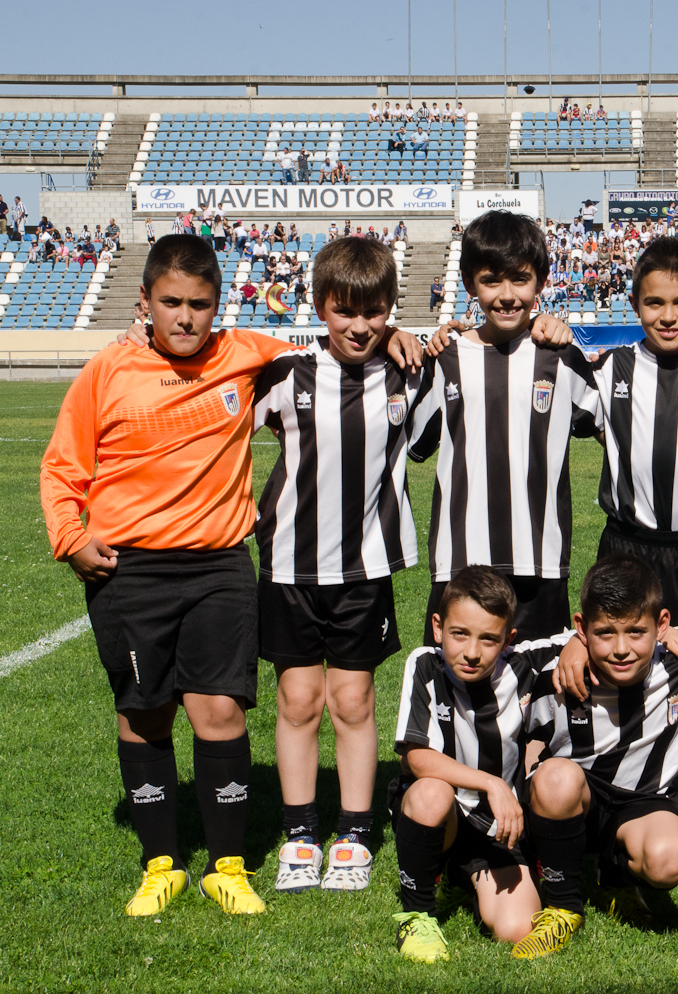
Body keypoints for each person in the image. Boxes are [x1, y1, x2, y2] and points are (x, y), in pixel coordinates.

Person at [39, 236, 305, 918]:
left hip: (219, 565)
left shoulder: (246, 353)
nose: (185, 318)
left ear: (219, 306)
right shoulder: (108, 370)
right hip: (130, 571)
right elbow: (63, 466)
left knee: (217, 710)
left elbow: (336, 345)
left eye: (200, 305)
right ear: (145, 303)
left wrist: (402, 336)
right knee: (145, 711)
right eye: (171, 303)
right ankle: (162, 865)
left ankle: (227, 867)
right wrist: (71, 540)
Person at [252, 238, 423, 896]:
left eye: (375, 311)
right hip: (290, 568)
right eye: (344, 311)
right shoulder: (284, 376)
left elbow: (464, 350)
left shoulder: (407, 372)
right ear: (320, 307)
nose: (359, 325)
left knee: (352, 700)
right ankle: (300, 834)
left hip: (363, 568)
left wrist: (410, 334)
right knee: (297, 700)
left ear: (390, 310)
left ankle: (353, 832)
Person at [580, 237, 678, 883]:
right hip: (626, 546)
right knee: (612, 685)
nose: (667, 315)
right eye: (654, 302)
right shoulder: (608, 370)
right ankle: (601, 819)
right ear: (635, 304)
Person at [407, 211, 601, 643]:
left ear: (541, 282)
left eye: (521, 279)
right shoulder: (447, 359)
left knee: (541, 698)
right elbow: (410, 444)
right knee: (458, 697)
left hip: (540, 562)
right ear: (470, 283)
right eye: (492, 280)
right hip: (461, 561)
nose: (508, 294)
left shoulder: (560, 357)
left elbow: (614, 430)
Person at [517, 555, 678, 957]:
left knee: (671, 857)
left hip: (641, 804)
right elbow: (490, 650)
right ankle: (563, 906)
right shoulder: (551, 662)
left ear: (661, 625)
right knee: (556, 777)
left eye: (636, 632)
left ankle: (614, 879)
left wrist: (668, 633)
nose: (621, 648)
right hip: (572, 797)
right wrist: (574, 645)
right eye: (604, 633)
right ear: (581, 626)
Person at [388, 567, 566, 962]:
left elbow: (591, 633)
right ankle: (417, 915)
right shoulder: (424, 666)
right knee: (431, 792)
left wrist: (580, 647)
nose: (472, 651)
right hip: (444, 814)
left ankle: (458, 876)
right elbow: (416, 757)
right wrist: (492, 783)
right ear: (438, 627)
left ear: (509, 639)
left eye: (489, 638)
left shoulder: (523, 666)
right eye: (460, 634)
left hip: (496, 827)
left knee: (516, 929)